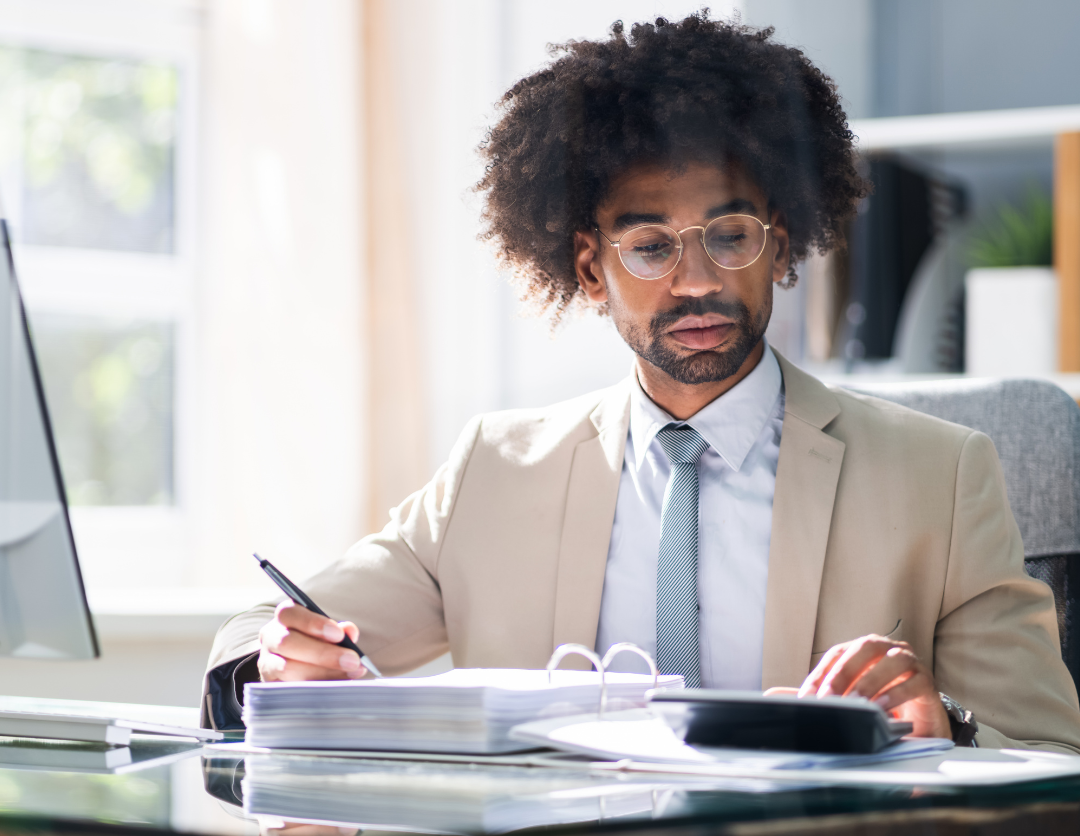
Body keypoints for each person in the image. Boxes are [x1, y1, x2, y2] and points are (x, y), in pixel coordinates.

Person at [202, 13, 1080, 752]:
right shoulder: (494, 473)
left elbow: (1048, 752)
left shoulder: (942, 476)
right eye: (652, 247)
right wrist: (281, 664)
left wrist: (947, 728)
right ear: (589, 269)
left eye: (729, 236)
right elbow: (258, 633)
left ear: (779, 243)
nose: (695, 281)